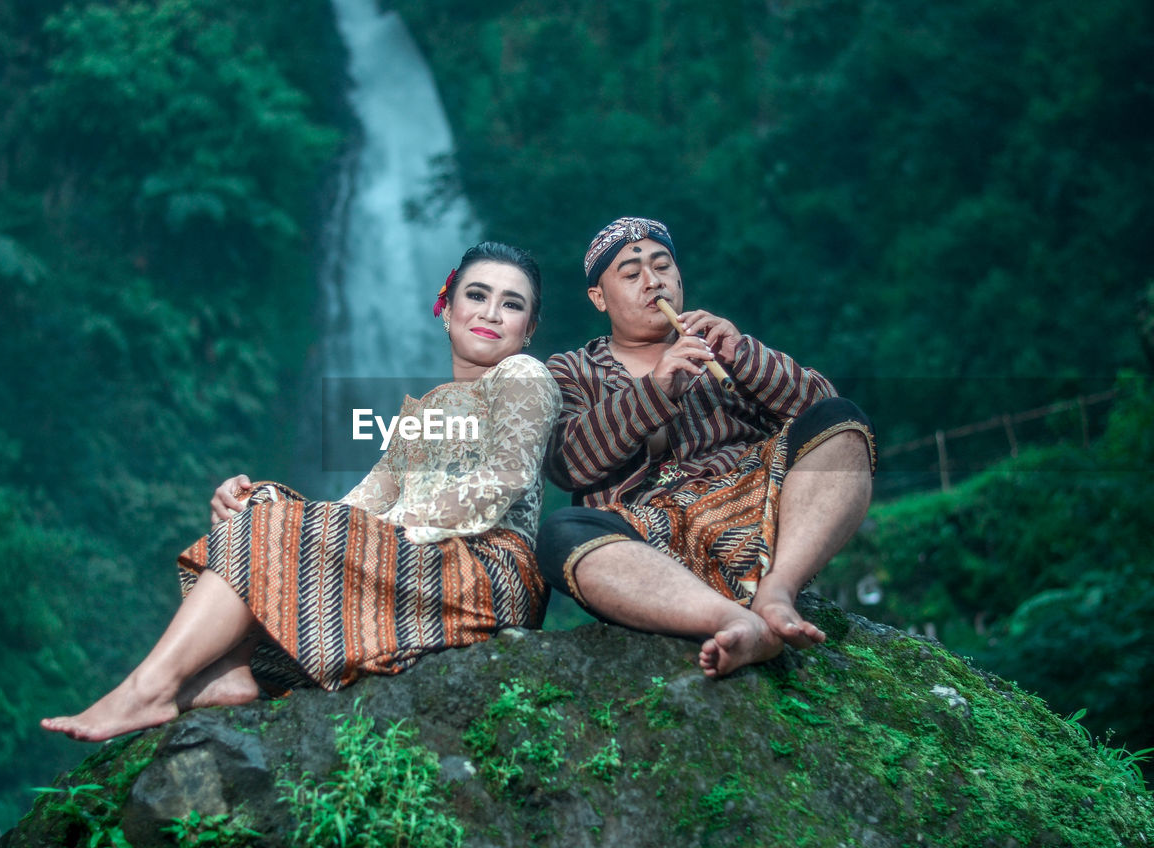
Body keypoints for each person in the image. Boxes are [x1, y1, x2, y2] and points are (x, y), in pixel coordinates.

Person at [43, 242, 560, 741]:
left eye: (511, 304)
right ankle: (231, 669)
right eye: (477, 295)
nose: (491, 312)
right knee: (263, 505)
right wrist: (257, 506)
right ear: (446, 309)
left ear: (529, 328)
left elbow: (504, 478)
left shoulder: (522, 374)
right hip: (419, 559)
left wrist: (380, 533)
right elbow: (358, 505)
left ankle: (147, 688)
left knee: (285, 525)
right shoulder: (420, 415)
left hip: (485, 570)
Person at [536, 217, 876, 679]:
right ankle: (735, 622)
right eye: (631, 274)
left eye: (662, 266)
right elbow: (567, 463)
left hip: (756, 505)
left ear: (679, 277)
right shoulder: (571, 369)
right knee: (560, 534)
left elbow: (825, 414)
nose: (653, 281)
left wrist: (745, 355)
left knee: (842, 421)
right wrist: (656, 389)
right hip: (650, 537)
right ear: (599, 297)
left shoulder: (723, 347)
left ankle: (778, 590)